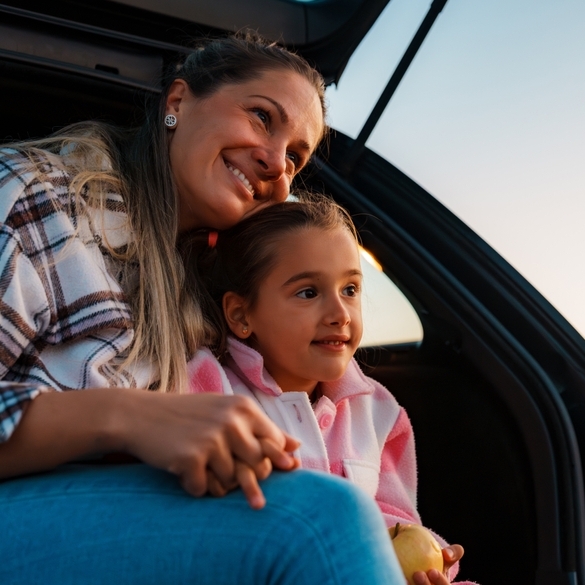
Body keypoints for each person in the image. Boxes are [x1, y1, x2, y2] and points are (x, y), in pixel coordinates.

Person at [0, 34, 405, 584]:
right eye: (262, 118)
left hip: (125, 523)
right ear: (178, 102)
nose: (274, 162)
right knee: (321, 521)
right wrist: (126, 419)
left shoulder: (207, 287)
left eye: (295, 157)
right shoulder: (34, 196)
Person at [184, 196, 477, 585]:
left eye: (351, 289)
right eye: (308, 292)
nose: (340, 313)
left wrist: (428, 564)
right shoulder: (206, 386)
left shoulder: (378, 413)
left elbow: (394, 522)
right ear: (241, 315)